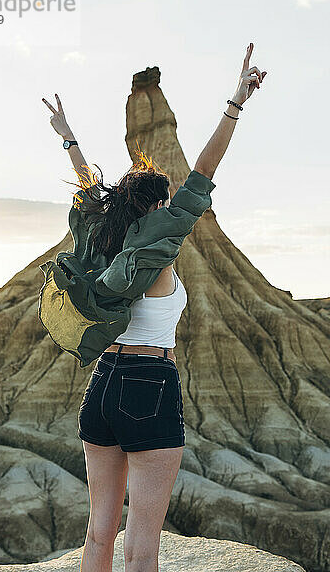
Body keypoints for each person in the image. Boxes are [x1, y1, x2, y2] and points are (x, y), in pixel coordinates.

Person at [42, 42, 267, 572]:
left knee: (98, 534)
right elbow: (204, 172)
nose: (170, 203)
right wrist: (236, 102)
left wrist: (69, 137)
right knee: (142, 545)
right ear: (157, 205)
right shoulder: (158, 246)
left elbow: (91, 191)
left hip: (101, 384)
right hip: (148, 384)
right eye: (164, 198)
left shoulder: (98, 240)